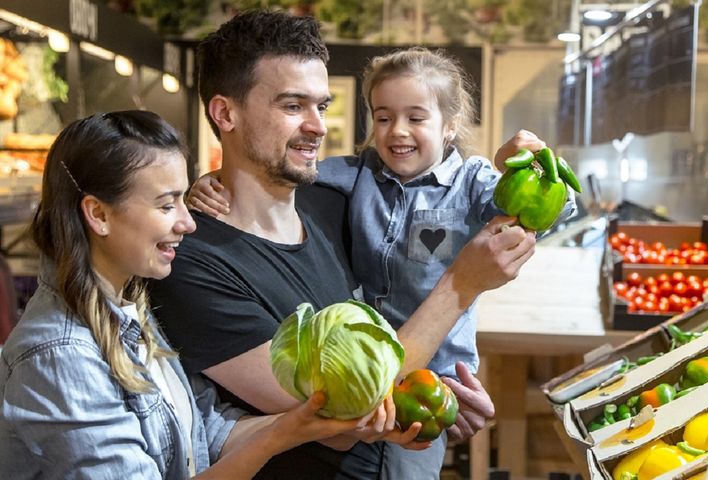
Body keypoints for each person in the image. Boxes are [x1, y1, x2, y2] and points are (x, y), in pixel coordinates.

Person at [148, 10, 537, 480]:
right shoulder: (191, 262)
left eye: (321, 106)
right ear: (225, 114)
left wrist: (435, 398)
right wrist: (463, 284)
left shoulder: (335, 204)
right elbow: (334, 418)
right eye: (293, 106)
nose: (317, 126)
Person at [0, 110, 380, 479]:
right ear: (98, 214)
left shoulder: (131, 307)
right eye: (167, 205)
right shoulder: (61, 356)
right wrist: (282, 435)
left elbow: (210, 429)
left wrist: (313, 423)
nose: (188, 222)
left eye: (184, 199)